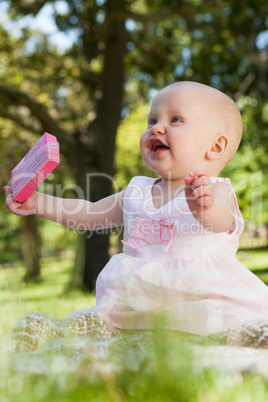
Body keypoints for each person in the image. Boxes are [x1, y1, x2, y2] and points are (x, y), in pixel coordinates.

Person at [4, 81, 268, 349]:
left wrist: (206, 208)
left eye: (175, 119)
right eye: (151, 120)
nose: (156, 127)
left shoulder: (215, 190)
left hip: (199, 299)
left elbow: (223, 221)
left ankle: (212, 341)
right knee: (103, 329)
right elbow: (89, 213)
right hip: (136, 302)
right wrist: (38, 202)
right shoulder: (136, 191)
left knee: (212, 329)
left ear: (216, 146)